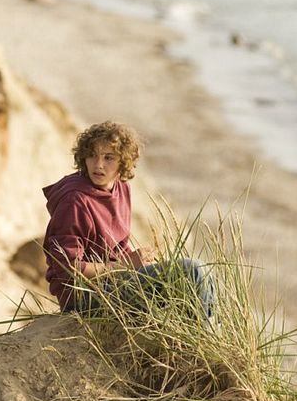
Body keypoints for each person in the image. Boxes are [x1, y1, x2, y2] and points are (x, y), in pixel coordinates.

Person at [41, 121, 213, 317]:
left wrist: (141, 264)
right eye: (92, 155)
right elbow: (68, 267)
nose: (98, 165)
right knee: (192, 270)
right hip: (85, 297)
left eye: (108, 158)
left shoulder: (121, 188)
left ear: (123, 162)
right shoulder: (74, 200)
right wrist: (126, 264)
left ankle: (200, 336)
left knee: (202, 275)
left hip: (115, 280)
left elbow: (117, 247)